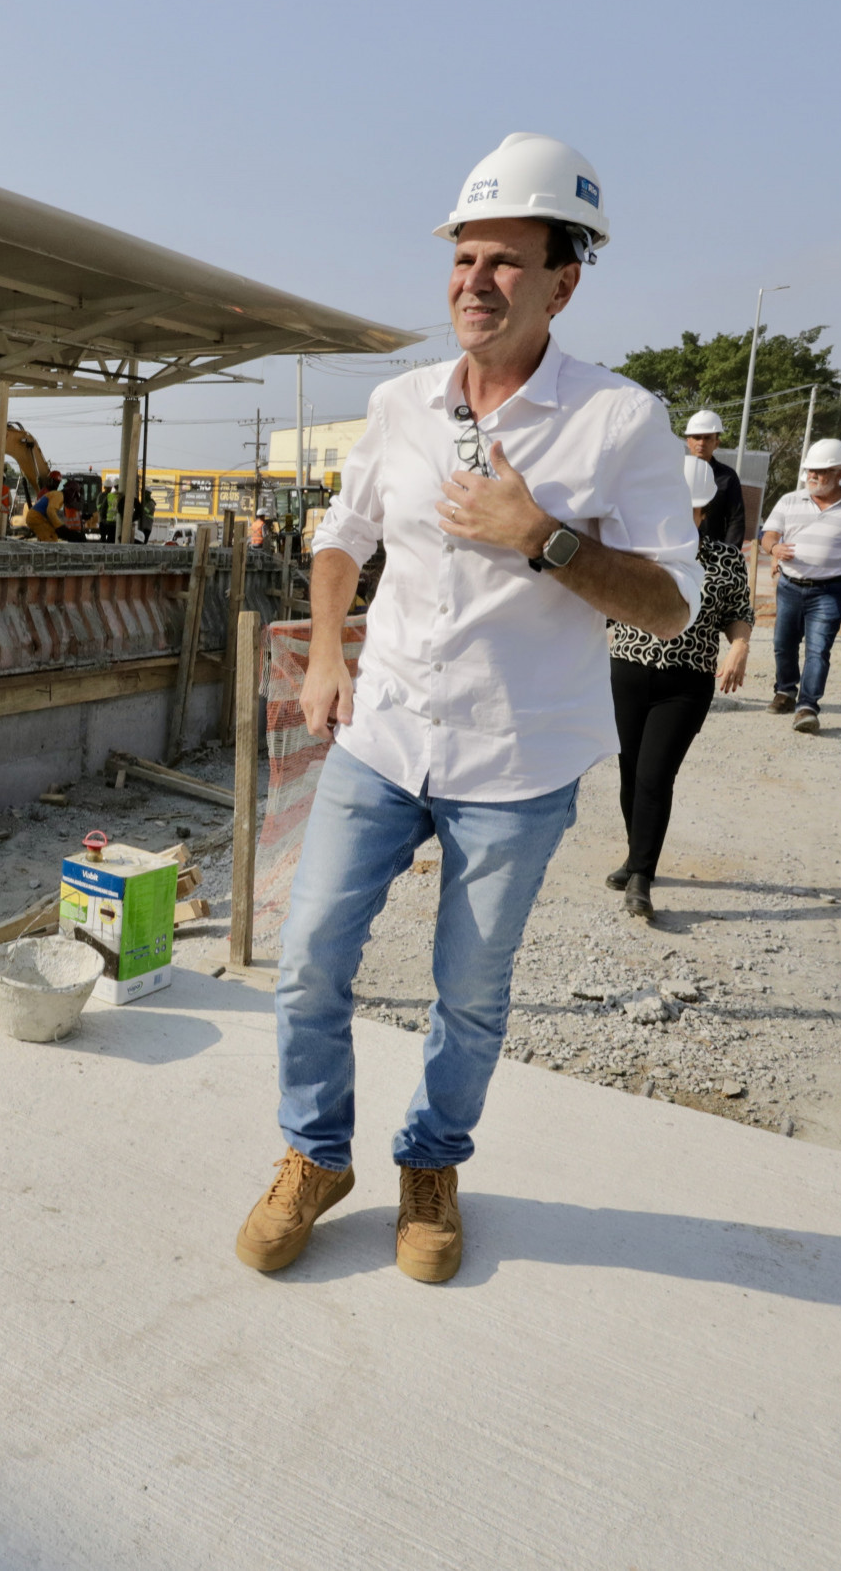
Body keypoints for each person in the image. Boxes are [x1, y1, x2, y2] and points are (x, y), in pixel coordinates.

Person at [234, 134, 700, 1286]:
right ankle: (313, 1154)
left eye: (505, 261)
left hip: (517, 757)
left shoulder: (620, 422)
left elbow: (675, 600)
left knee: (471, 994)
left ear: (564, 280)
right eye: (464, 257)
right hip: (384, 733)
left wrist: (542, 537)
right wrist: (328, 654)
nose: (475, 281)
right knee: (306, 962)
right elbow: (342, 534)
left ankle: (431, 1166)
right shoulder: (399, 404)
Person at [606, 458, 753, 919]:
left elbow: (738, 611)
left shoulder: (725, 559)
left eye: (689, 507)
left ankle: (642, 877)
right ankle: (635, 854)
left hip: (685, 684)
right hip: (627, 672)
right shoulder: (636, 552)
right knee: (630, 771)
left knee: (654, 776)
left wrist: (740, 647)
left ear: (704, 507)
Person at [760, 437, 841, 730]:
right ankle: (785, 691)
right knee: (783, 644)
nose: (813, 476)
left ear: (840, 473)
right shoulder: (789, 500)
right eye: (811, 470)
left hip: (830, 590)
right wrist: (774, 549)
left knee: (818, 648)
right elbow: (768, 535)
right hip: (790, 587)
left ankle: (807, 706)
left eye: (821, 471)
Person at [682, 409, 746, 548]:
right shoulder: (675, 472)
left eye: (707, 438)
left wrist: (728, 554)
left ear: (716, 443)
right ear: (688, 441)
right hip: (677, 548)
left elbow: (736, 519)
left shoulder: (728, 477)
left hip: (713, 556)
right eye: (697, 437)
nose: (701, 443)